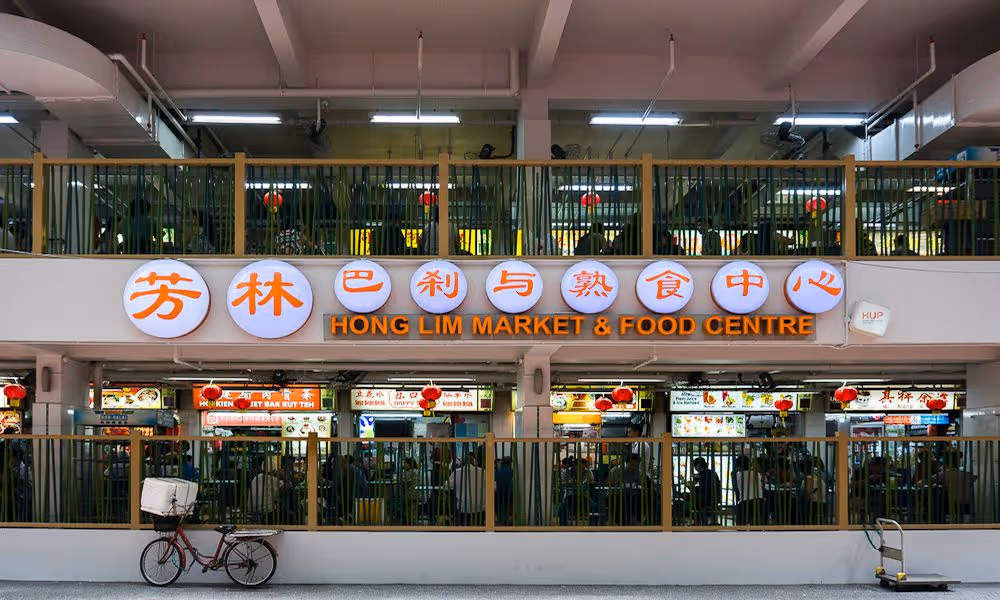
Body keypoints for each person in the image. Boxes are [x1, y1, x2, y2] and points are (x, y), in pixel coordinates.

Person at [447, 453, 485, 526]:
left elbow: (447, 485)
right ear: (474, 461)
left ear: (462, 462)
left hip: (463, 509)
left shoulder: (457, 472)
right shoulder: (483, 472)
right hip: (481, 509)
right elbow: (493, 486)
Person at [609, 454, 645, 525]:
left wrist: (639, 485)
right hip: (617, 495)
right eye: (631, 464)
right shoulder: (616, 470)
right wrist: (618, 483)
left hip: (633, 495)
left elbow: (642, 483)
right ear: (626, 462)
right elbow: (607, 482)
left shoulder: (638, 472)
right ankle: (622, 522)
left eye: (635, 465)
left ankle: (636, 520)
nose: (633, 467)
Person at [247, 455, 281, 524]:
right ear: (274, 470)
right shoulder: (274, 480)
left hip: (252, 509)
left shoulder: (256, 477)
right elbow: (288, 485)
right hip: (266, 510)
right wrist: (281, 475)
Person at [733, 454, 763, 526]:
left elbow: (736, 489)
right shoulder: (757, 474)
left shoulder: (738, 475)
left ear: (738, 466)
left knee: (740, 526)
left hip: (745, 502)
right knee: (756, 526)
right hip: (759, 501)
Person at [691, 457, 721, 525]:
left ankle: (698, 521)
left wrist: (694, 488)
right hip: (715, 498)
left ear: (698, 465)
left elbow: (702, 489)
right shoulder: (713, 472)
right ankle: (710, 520)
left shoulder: (701, 474)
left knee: (691, 498)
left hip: (705, 498)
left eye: (695, 466)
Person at [495, 456, 514, 526]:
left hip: (499, 491)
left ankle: (501, 519)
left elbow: (495, 479)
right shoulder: (511, 470)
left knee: (501, 506)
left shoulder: (498, 470)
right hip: (509, 491)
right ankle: (508, 520)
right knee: (508, 505)